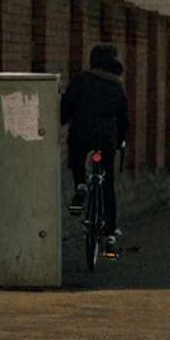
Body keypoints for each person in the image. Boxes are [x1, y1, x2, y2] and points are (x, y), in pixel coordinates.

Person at [61, 43, 129, 257]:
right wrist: (120, 141)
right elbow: (124, 119)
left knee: (77, 158)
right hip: (106, 138)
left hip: (81, 134)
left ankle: (80, 184)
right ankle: (109, 233)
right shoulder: (116, 86)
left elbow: (64, 112)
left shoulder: (79, 81)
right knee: (107, 183)